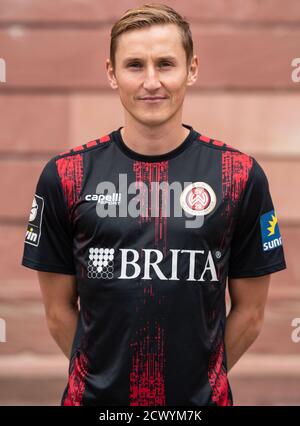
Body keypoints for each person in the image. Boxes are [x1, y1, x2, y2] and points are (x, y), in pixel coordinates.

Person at [21, 3, 286, 406]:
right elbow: (58, 311)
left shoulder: (239, 175)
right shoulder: (67, 175)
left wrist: (197, 383)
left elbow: (250, 312)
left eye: (165, 64)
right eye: (134, 65)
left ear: (191, 69)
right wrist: (105, 380)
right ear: (111, 73)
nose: (151, 81)